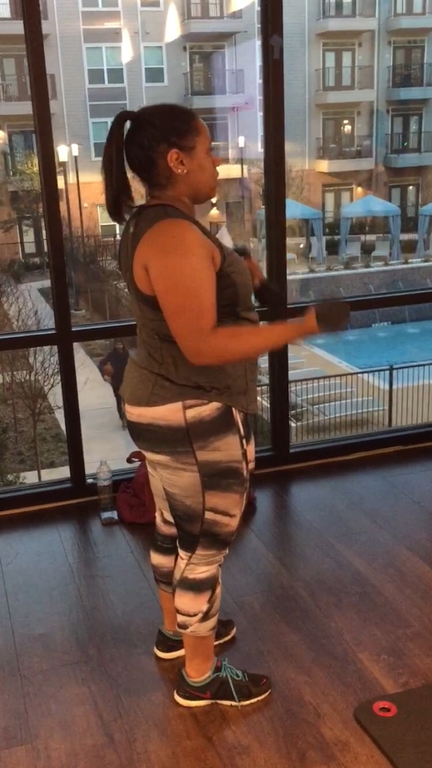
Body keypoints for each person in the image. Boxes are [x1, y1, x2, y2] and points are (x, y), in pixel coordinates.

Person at [102, 103, 347, 708]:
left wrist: (245, 277)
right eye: (207, 150)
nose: (217, 162)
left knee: (173, 527)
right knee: (205, 545)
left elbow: (192, 306)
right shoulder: (171, 235)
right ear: (176, 160)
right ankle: (201, 676)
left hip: (164, 403)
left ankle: (175, 633)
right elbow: (203, 343)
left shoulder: (156, 223)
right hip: (191, 411)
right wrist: (303, 327)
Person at [98, 341, 129, 427]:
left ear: (123, 345)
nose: (119, 346)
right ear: (114, 345)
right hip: (116, 381)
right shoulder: (111, 355)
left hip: (126, 380)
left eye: (120, 344)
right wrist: (104, 374)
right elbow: (101, 364)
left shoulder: (126, 354)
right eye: (117, 344)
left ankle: (127, 418)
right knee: (119, 400)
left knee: (126, 401)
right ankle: (123, 419)